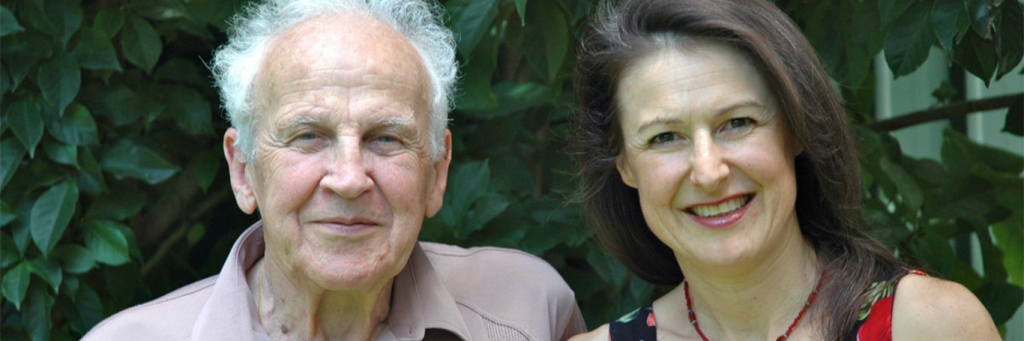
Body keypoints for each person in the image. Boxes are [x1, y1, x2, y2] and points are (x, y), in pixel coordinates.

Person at [82, 0, 587, 340]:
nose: (348, 178)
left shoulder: (528, 313)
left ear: (436, 171)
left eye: (386, 138)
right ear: (243, 170)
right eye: (308, 137)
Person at [568, 0, 1001, 340]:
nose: (708, 171)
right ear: (623, 162)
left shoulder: (929, 327)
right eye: (665, 137)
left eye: (737, 123)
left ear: (797, 129)